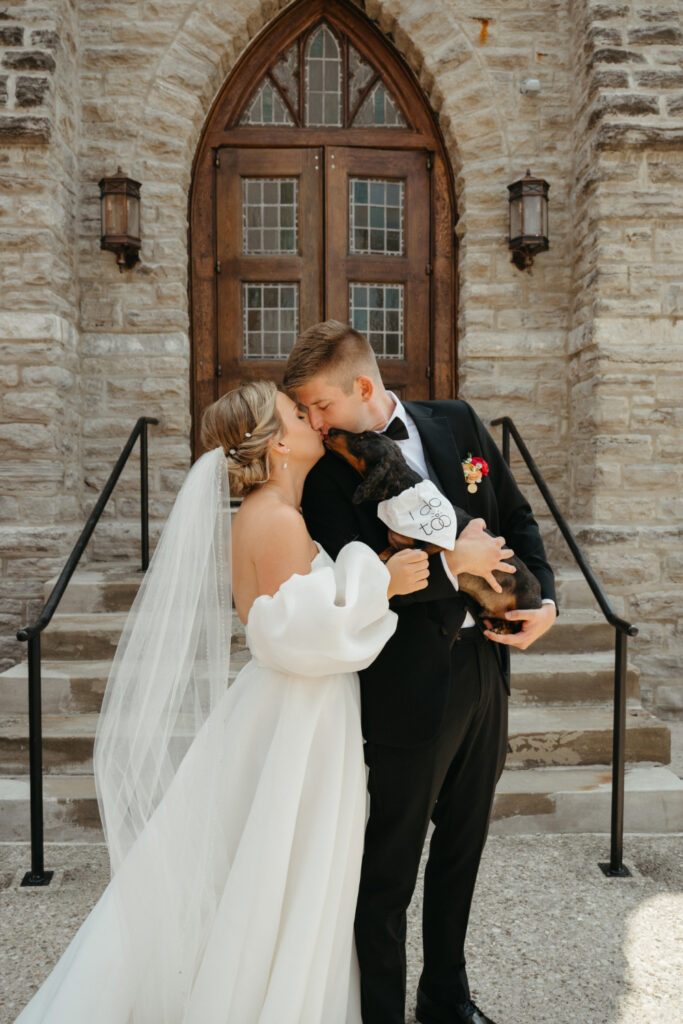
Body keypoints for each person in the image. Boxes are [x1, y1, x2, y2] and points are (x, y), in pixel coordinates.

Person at [14, 380, 435, 1024]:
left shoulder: (272, 513)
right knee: (280, 871)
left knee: (266, 868)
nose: (313, 420)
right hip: (301, 713)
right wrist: (384, 580)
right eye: (299, 414)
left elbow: (299, 609)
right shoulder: (279, 521)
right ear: (279, 446)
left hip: (296, 707)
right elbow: (295, 635)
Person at [284, 321, 558, 1024]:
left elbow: (518, 519)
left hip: (483, 672)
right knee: (386, 873)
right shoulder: (323, 477)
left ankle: (445, 999)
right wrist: (448, 568)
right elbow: (356, 578)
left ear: (364, 387)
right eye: (306, 411)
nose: (313, 422)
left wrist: (547, 601)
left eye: (320, 404)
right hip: (402, 684)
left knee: (462, 849)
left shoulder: (458, 421)